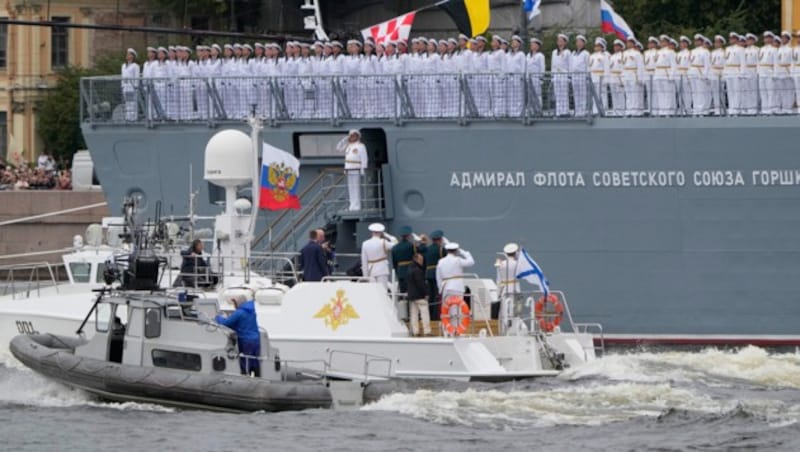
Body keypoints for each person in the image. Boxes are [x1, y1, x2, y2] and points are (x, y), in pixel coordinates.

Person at [216, 293, 261, 376]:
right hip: (256, 339)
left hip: (246, 341)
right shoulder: (251, 311)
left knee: (245, 360)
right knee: (254, 361)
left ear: (238, 303)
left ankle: (244, 376)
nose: (234, 305)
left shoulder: (239, 313)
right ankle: (257, 377)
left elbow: (225, 323)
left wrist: (218, 318)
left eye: (234, 303)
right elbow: (244, 324)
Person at [336, 129, 368, 211]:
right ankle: (352, 206)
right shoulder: (348, 146)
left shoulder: (361, 146)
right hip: (348, 168)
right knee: (351, 188)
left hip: (356, 167)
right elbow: (338, 148)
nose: (352, 137)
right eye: (351, 135)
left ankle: (357, 206)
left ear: (358, 136)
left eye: (354, 135)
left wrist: (363, 169)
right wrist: (344, 139)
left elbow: (364, 158)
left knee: (356, 187)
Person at [496, 243, 521, 334]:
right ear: (515, 253)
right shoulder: (518, 264)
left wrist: (498, 292)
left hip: (505, 289)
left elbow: (499, 279)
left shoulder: (501, 264)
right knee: (516, 311)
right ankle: (515, 329)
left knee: (504, 311)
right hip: (515, 289)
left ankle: (504, 329)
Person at [407, 253, 431, 336]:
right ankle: (427, 331)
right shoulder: (418, 270)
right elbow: (421, 283)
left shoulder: (409, 269)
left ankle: (415, 331)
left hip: (412, 296)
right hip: (420, 296)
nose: (422, 261)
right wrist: (426, 293)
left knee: (414, 314)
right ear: (417, 259)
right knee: (424, 313)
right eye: (421, 260)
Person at [424, 230, 446, 321]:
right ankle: (436, 316)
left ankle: (430, 316)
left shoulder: (427, 249)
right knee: (438, 295)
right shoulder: (441, 249)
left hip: (428, 273)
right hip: (438, 274)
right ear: (440, 239)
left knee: (431, 296)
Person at [391, 226, 417, 294]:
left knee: (403, 292)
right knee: (411, 291)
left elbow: (394, 263)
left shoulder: (395, 248)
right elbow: (416, 257)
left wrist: (398, 272)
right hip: (410, 270)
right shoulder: (411, 245)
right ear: (409, 235)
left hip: (400, 272)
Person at [551, 34, 572, 116]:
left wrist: (569, 76)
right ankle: (559, 111)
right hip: (556, 75)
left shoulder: (567, 52)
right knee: (557, 94)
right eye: (558, 40)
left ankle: (565, 111)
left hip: (564, 75)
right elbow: (553, 64)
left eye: (561, 40)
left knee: (564, 94)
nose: (559, 42)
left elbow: (570, 65)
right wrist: (552, 76)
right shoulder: (554, 52)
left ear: (565, 42)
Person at [121, 48, 140, 121]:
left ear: (133, 56)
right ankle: (127, 116)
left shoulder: (135, 66)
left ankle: (133, 117)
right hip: (125, 86)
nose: (127, 55)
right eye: (127, 54)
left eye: (129, 54)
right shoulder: (123, 65)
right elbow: (123, 76)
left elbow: (136, 77)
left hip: (131, 86)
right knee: (127, 102)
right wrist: (122, 85)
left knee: (132, 102)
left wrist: (136, 86)